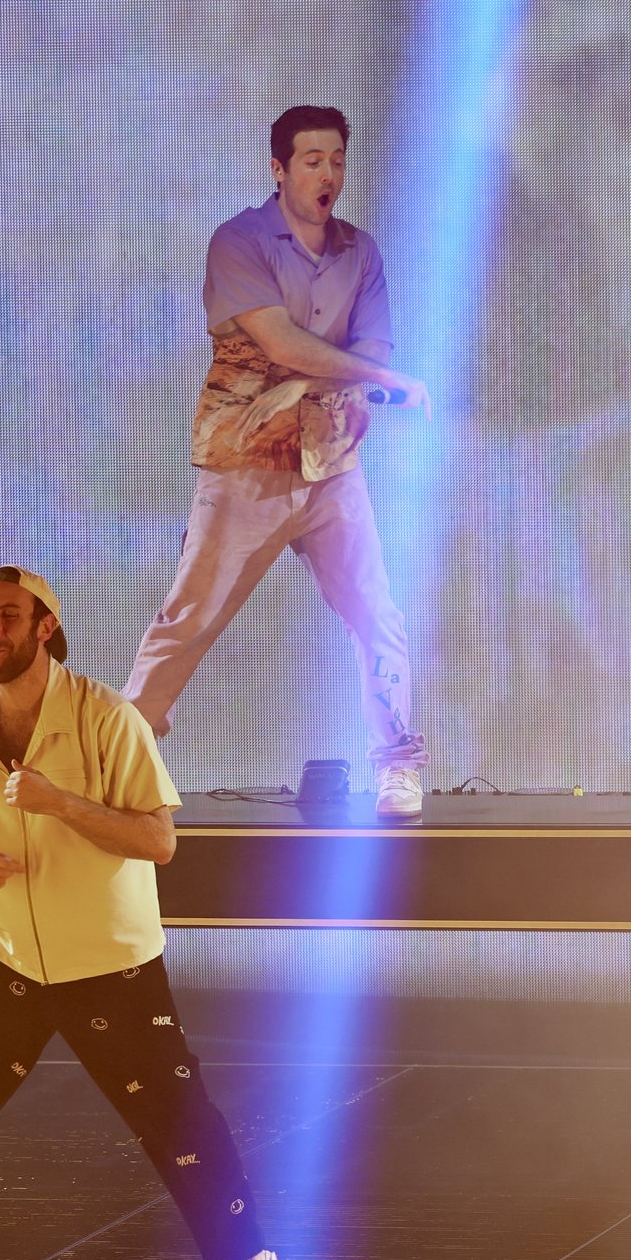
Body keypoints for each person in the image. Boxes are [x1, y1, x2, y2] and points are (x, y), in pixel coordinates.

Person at [0, 566, 312, 1260]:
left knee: (181, 1122)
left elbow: (158, 838)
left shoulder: (108, 717)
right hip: (0, 951)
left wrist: (58, 802)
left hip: (108, 958)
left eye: (8, 615)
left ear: (45, 625)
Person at [125, 104, 433, 818]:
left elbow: (369, 348)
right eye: (312, 161)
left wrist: (332, 377)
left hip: (332, 462)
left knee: (376, 612)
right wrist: (369, 377)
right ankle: (124, 756)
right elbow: (282, 343)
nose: (328, 175)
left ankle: (397, 763)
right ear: (280, 169)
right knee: (190, 615)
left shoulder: (360, 252)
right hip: (246, 461)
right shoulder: (240, 240)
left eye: (337, 161)